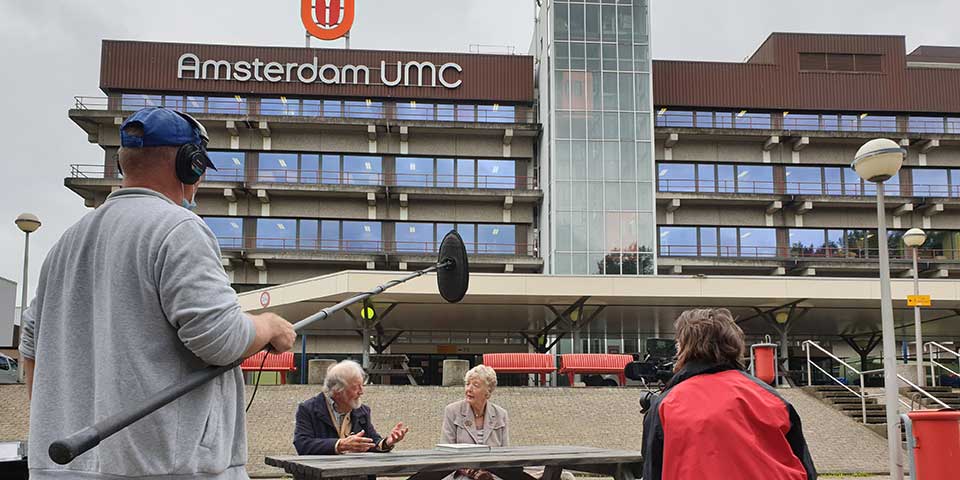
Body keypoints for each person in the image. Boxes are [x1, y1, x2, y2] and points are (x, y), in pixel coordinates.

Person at [19, 106, 296, 480]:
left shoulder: (65, 245)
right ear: (190, 165)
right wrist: (270, 327)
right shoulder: (178, 229)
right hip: (165, 469)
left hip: (65, 469)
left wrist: (60, 419)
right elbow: (221, 339)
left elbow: (31, 348)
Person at [641, 308, 817, 480]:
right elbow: (805, 467)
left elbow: (653, 471)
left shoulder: (667, 404)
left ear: (683, 347)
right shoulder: (772, 399)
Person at [294, 360, 409, 455]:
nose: (361, 392)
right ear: (337, 390)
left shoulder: (362, 411)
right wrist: (340, 445)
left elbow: (372, 441)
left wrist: (387, 442)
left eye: (362, 386)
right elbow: (302, 444)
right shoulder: (308, 409)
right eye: (355, 388)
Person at [441, 365, 509, 480]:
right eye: (467, 384)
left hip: (493, 475)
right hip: (460, 474)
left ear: (488, 392)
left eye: (475, 385)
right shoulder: (452, 411)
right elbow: (446, 451)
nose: (469, 389)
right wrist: (470, 470)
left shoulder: (501, 414)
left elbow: (505, 455)